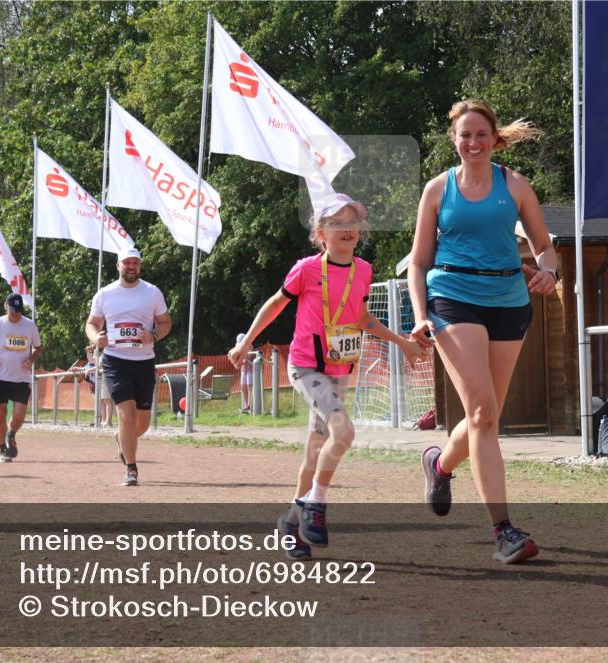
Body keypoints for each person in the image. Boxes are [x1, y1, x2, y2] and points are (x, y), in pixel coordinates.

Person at [229, 193, 426, 559]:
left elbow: (362, 318)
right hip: (306, 367)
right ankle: (315, 506)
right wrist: (247, 342)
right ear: (321, 233)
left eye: (352, 222)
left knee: (314, 452)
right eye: (336, 223)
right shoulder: (305, 269)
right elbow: (275, 303)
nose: (346, 229)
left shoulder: (363, 271)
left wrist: (402, 342)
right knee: (344, 431)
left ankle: (291, 522)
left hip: (339, 369)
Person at [407, 99, 558, 565]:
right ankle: (504, 531)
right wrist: (419, 314)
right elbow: (418, 261)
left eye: (480, 134)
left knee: (485, 416)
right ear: (453, 140)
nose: (472, 142)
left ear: (494, 138)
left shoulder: (515, 186)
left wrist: (550, 271)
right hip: (452, 298)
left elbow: (545, 246)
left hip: (509, 302)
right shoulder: (437, 190)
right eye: (463, 135)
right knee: (483, 414)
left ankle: (440, 463)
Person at [86, 247, 172, 486]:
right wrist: (96, 339)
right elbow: (91, 324)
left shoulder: (152, 292)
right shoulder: (105, 294)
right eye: (127, 262)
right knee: (126, 413)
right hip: (115, 361)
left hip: (144, 361)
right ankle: (131, 469)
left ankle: (122, 439)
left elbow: (165, 322)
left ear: (140, 266)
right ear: (118, 266)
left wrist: (154, 335)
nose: (131, 266)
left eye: (135, 262)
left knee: (141, 424)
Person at [0, 293, 43, 463]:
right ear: (6, 306)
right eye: (13, 310)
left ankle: (11, 433)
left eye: (19, 311)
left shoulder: (29, 326)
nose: (16, 314)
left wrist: (31, 359)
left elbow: (38, 348)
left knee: (20, 415)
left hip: (21, 377)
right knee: (1, 414)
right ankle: (2, 449)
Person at [83, 344, 114, 427]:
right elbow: (92, 362)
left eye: (94, 351)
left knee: (107, 400)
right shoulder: (101, 356)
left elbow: (100, 366)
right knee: (104, 400)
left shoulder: (105, 355)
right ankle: (105, 420)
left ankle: (108, 421)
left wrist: (89, 370)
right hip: (104, 378)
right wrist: (88, 352)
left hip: (107, 378)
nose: (93, 353)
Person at [236, 333, 254, 413]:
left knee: (249, 386)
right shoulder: (239, 347)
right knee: (243, 387)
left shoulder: (250, 346)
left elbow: (248, 356)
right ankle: (247, 406)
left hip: (251, 368)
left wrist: (240, 353)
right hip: (243, 369)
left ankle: (250, 405)